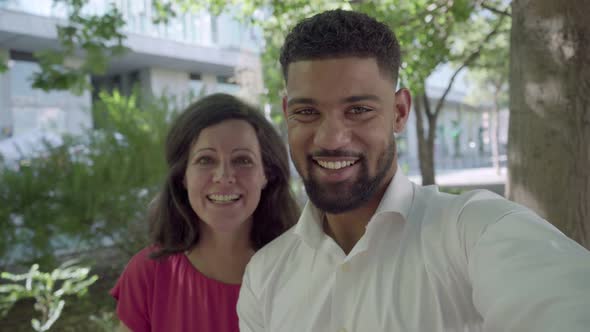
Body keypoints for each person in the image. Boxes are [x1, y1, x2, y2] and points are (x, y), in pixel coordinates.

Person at [237, 9, 590, 332]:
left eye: (358, 110)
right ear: (286, 112)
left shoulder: (475, 231)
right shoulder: (265, 276)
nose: (331, 138)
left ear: (400, 112)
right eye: (307, 112)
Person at [110, 93, 299, 332]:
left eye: (242, 160)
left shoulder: (301, 271)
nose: (224, 176)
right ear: (183, 177)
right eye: (206, 160)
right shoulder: (148, 275)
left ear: (267, 175)